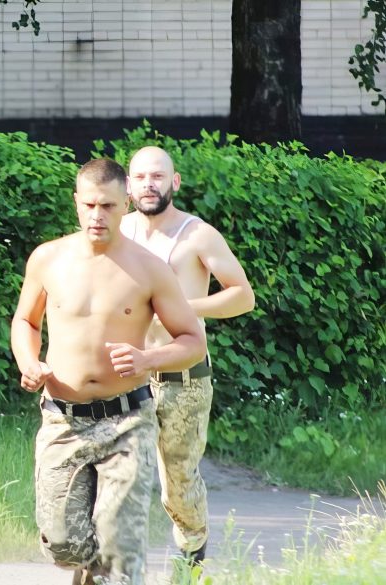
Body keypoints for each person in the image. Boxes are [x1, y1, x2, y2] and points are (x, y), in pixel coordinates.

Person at [11, 158, 206, 585]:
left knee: (119, 552)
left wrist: (148, 360)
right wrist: (29, 362)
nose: (97, 216)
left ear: (127, 204)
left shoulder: (149, 269)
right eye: (90, 205)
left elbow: (193, 341)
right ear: (76, 203)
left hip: (128, 421)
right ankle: (94, 568)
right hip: (63, 420)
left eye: (109, 206)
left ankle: (111, 572)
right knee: (62, 544)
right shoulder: (48, 259)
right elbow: (25, 321)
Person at [121, 146, 255, 565]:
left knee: (176, 484)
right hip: (130, 375)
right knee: (120, 473)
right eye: (140, 177)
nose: (149, 185)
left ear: (174, 182)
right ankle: (113, 562)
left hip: (184, 379)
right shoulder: (118, 231)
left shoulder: (198, 235)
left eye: (158, 176)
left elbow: (243, 296)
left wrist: (181, 307)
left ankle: (192, 552)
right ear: (128, 186)